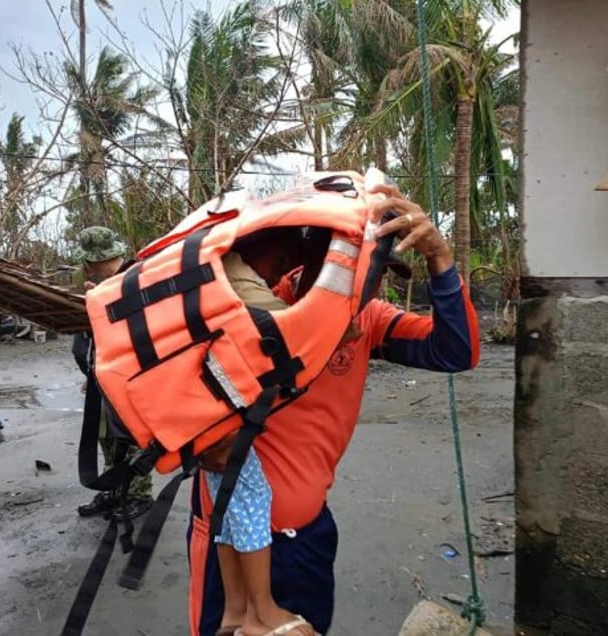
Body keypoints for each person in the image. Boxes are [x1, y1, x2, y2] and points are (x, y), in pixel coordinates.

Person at [187, 181, 480, 636]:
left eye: (380, 271)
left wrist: (440, 260)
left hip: (306, 536)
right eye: (363, 267)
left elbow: (455, 351)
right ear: (321, 255)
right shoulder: (250, 305)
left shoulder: (369, 321)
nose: (371, 283)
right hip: (232, 543)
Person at [203, 228, 315, 636]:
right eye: (280, 267)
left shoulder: (209, 268)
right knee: (251, 496)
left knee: (228, 499)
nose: (275, 279)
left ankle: (235, 609)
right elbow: (292, 329)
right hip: (213, 418)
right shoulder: (238, 278)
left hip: (201, 416)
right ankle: (262, 611)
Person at [71, 226, 154, 520]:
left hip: (129, 377)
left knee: (129, 436)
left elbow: (136, 327)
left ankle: (139, 494)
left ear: (97, 257)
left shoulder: (135, 278)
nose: (86, 266)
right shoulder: (106, 284)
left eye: (88, 260)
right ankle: (115, 488)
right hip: (104, 376)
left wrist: (103, 299)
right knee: (105, 435)